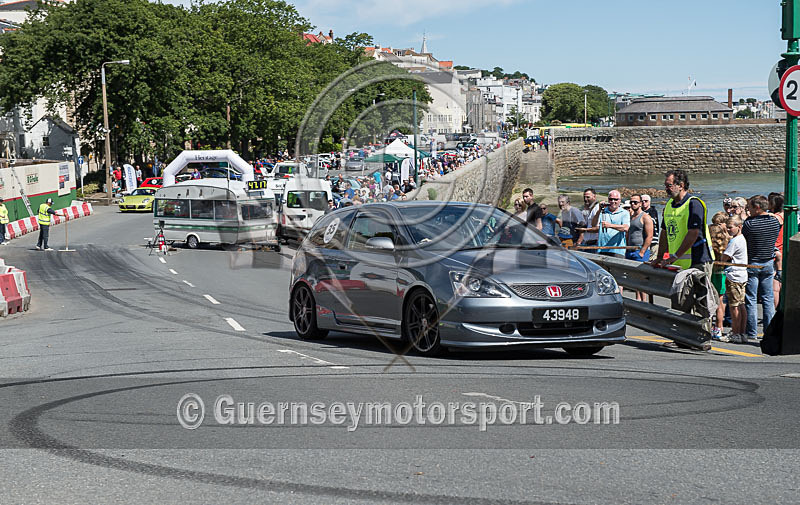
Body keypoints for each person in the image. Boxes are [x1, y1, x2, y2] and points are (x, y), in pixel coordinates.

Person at [650, 170, 716, 340]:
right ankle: (682, 338)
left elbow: (693, 233)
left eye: (669, 185)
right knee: (681, 301)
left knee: (700, 302)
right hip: (678, 263)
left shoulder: (694, 204)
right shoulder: (669, 206)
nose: (666, 189)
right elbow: (664, 233)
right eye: (665, 185)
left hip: (697, 260)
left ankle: (702, 338)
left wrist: (675, 255)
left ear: (681, 185)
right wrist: (660, 256)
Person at [742, 195, 781, 342]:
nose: (748, 210)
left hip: (752, 263)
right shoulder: (774, 222)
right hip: (768, 263)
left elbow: (744, 239)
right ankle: (768, 330)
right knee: (768, 298)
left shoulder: (749, 224)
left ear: (757, 208)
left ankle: (751, 332)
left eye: (750, 207)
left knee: (751, 299)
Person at [720, 215, 748, 343]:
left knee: (734, 306)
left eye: (731, 228)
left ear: (739, 227)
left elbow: (724, 258)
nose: (729, 230)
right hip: (742, 274)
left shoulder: (735, 241)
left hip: (734, 275)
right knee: (741, 304)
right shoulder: (742, 239)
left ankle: (736, 332)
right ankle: (741, 333)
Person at [626, 195, 654, 301]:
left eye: (635, 202)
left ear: (640, 203)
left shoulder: (645, 217)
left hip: (640, 251)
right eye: (631, 202)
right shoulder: (631, 216)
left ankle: (644, 302)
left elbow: (649, 236)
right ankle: (638, 301)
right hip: (630, 250)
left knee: (641, 278)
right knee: (634, 279)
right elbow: (628, 232)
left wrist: (642, 251)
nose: (633, 204)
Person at [708, 211, 731, 340]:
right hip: (721, 272)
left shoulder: (710, 237)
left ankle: (710, 325)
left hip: (711, 271)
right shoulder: (726, 239)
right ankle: (719, 326)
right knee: (720, 302)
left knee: (710, 300)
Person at [592, 190, 629, 257]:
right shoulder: (603, 211)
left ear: (620, 200)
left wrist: (610, 225)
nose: (613, 201)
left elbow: (625, 228)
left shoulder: (624, 213)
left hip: (617, 250)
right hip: (602, 249)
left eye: (616, 199)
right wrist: (599, 209)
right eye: (611, 199)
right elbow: (593, 224)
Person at [768, 192, 784, 309]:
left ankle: (775, 313)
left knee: (774, 287)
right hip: (783, 250)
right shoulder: (786, 215)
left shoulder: (774, 218)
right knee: (781, 282)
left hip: (775, 251)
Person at [641, 194, 659, 258]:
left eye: (646, 201)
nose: (643, 203)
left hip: (653, 240)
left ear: (649, 202)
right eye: (642, 201)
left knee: (652, 259)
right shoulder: (640, 212)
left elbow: (652, 221)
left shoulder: (653, 211)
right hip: (643, 241)